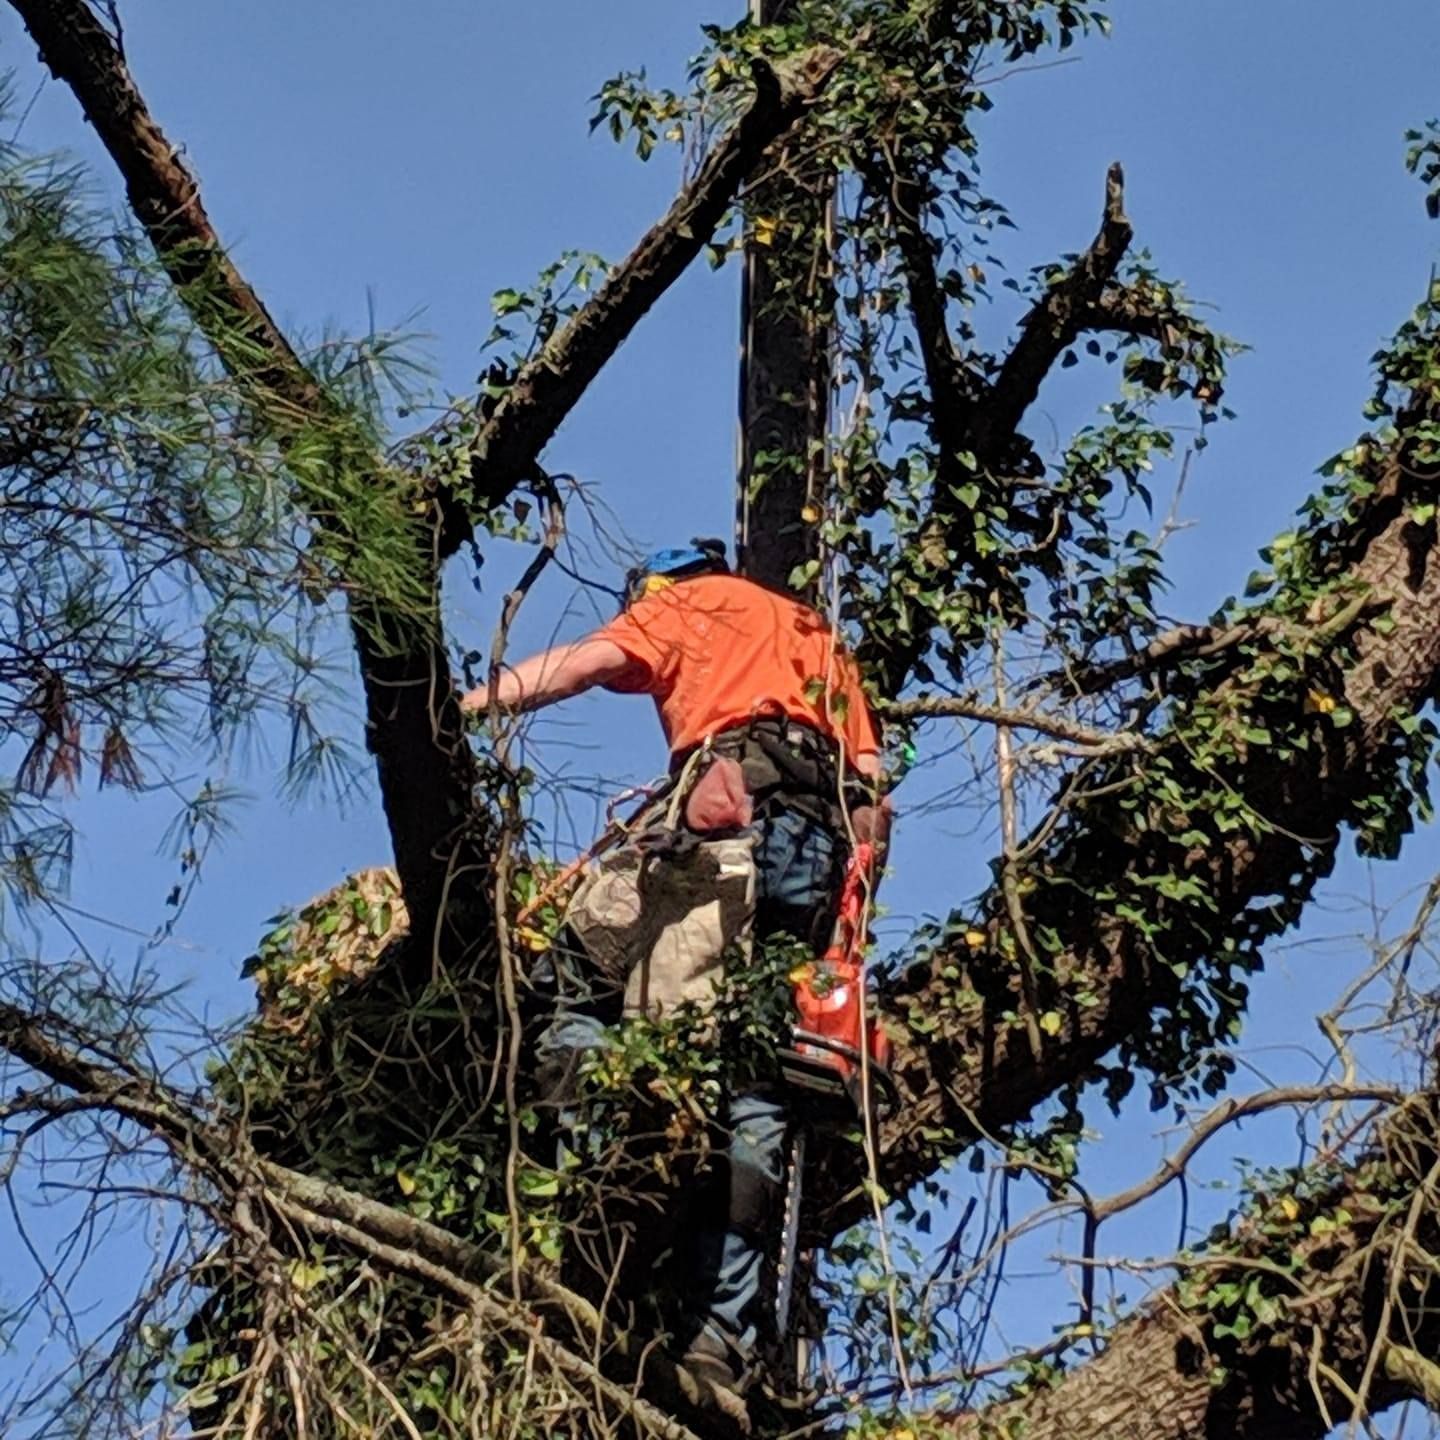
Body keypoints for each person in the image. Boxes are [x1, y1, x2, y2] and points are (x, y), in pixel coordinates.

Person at [461, 540, 891, 1419]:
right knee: (761, 1087)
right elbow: (875, 797)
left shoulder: (685, 605)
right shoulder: (815, 634)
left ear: (662, 584)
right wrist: (845, 925)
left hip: (723, 831)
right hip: (818, 864)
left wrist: (466, 704)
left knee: (581, 990)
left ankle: (587, 1197)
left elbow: (586, 662)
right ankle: (725, 1338)